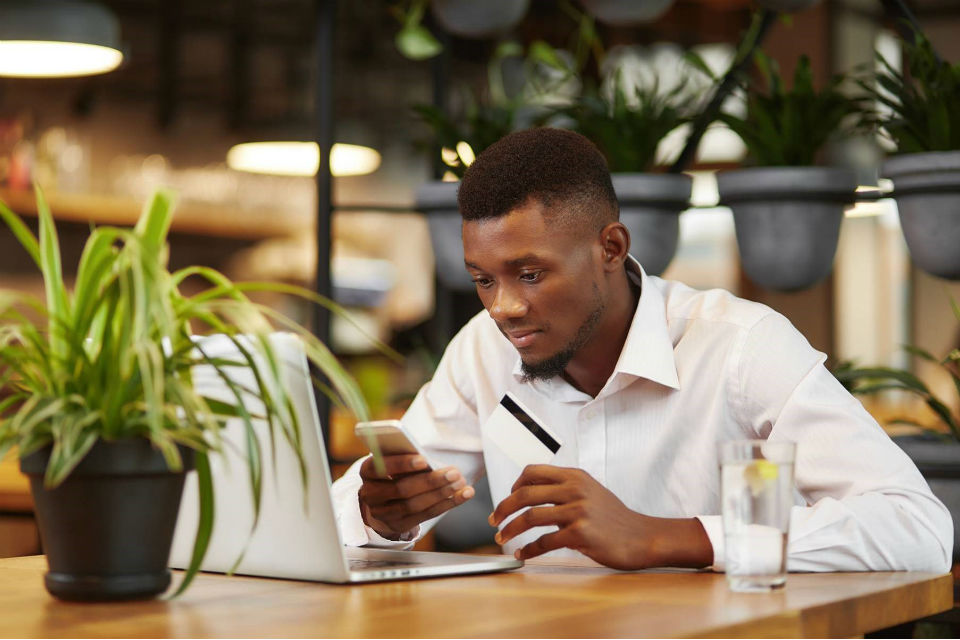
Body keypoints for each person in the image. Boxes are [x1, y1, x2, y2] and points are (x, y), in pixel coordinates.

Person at [332, 128, 952, 572]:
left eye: (530, 274)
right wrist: (381, 517)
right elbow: (336, 521)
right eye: (483, 279)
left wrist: (666, 538)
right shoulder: (482, 351)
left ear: (610, 246)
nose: (503, 308)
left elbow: (916, 528)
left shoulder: (740, 346)